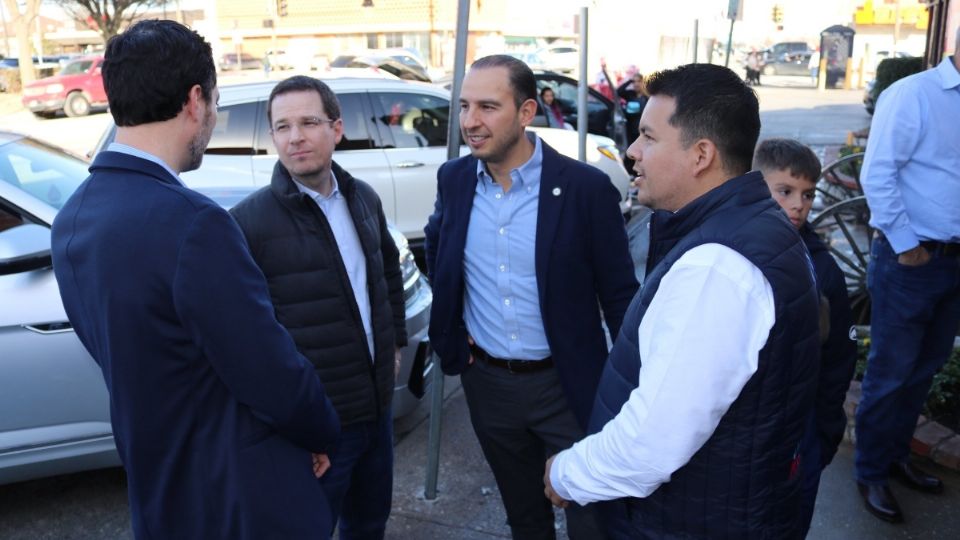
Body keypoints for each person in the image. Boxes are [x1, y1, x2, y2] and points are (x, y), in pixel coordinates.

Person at [50, 20, 340, 539]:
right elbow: (269, 371)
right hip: (242, 498)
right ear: (194, 100)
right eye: (215, 103)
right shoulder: (193, 223)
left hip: (160, 489)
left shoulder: (72, 217)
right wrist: (320, 430)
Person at [544, 63, 821, 539]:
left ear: (701, 155)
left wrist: (567, 475)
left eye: (648, 137)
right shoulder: (747, 230)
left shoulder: (718, 266)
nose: (632, 152)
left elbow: (652, 444)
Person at [424, 54, 638, 540]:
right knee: (524, 517)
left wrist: (629, 386)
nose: (470, 122)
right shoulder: (454, 179)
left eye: (487, 107)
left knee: (592, 515)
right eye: (464, 107)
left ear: (525, 113)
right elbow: (442, 253)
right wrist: (455, 340)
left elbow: (621, 295)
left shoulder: (585, 189)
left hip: (568, 385)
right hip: (490, 385)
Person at [230, 75, 407, 539]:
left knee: (369, 523)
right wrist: (293, 427)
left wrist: (395, 345)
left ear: (337, 128)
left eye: (309, 122)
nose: (295, 137)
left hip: (376, 410)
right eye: (282, 126)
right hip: (320, 428)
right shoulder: (246, 224)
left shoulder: (363, 198)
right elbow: (247, 341)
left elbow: (387, 274)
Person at [854, 27, 960, 524]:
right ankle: (871, 471)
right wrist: (908, 247)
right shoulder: (913, 95)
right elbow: (877, 173)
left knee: (924, 368)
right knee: (890, 373)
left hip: (954, 261)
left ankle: (896, 458)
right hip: (911, 260)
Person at [754, 138, 858, 537]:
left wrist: (825, 431)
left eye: (808, 194)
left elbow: (837, 361)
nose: (799, 204)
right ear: (756, 185)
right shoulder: (732, 249)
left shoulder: (822, 270)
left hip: (800, 433)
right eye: (785, 191)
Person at [617, 72, 648, 171]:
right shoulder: (630, 94)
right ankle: (629, 171)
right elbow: (618, 91)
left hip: (642, 129)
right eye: (634, 82)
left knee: (641, 151)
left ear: (642, 82)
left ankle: (639, 171)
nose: (636, 84)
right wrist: (629, 81)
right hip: (630, 128)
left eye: (638, 81)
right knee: (629, 151)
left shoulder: (646, 98)